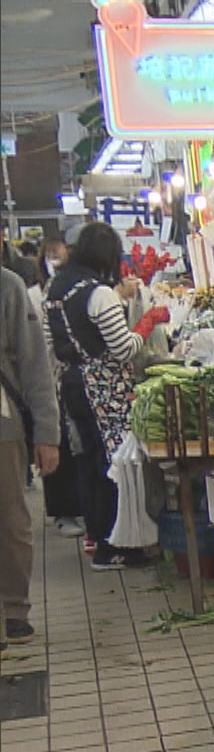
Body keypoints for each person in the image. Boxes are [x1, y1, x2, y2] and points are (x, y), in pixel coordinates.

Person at [41, 222, 148, 570]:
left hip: (72, 385)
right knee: (114, 465)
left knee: (89, 462)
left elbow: (50, 345)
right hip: (103, 388)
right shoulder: (98, 292)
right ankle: (113, 545)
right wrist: (144, 328)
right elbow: (121, 348)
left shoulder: (54, 290)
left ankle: (98, 538)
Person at [2, 265, 61, 647]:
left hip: (2, 425)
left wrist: (46, 433)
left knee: (9, 518)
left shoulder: (8, 286)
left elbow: (34, 364)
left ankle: (13, 608)